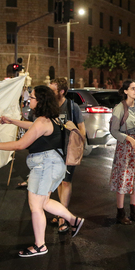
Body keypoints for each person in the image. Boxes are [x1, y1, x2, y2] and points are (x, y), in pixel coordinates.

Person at [0, 85, 85, 257]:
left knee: (35, 206)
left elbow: (20, 144)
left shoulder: (42, 122)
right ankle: (74, 220)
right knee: (43, 202)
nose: (30, 99)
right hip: (53, 165)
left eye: (33, 97)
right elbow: (33, 125)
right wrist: (12, 121)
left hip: (45, 166)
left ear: (41, 101)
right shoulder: (52, 119)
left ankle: (40, 245)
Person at [48, 77, 86, 233]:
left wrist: (76, 138)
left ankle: (63, 217)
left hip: (68, 151)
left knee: (66, 182)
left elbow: (82, 130)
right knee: (58, 181)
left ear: (61, 92)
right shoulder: (49, 106)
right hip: (53, 150)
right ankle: (61, 212)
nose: (50, 93)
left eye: (52, 90)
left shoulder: (72, 107)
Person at [110, 79, 135, 225]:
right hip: (125, 146)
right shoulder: (119, 108)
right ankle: (120, 212)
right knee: (124, 177)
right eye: (132, 88)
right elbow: (113, 130)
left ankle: (134, 211)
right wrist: (129, 140)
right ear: (125, 91)